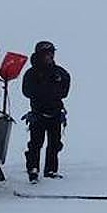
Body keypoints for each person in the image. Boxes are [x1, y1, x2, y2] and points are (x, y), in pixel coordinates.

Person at [21, 40, 71, 183]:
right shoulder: (31, 74)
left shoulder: (60, 72)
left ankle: (51, 170)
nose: (49, 57)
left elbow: (64, 91)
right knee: (35, 144)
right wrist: (45, 87)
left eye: (51, 53)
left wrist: (51, 87)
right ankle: (33, 170)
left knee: (54, 144)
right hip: (37, 114)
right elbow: (27, 91)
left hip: (55, 113)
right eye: (46, 54)